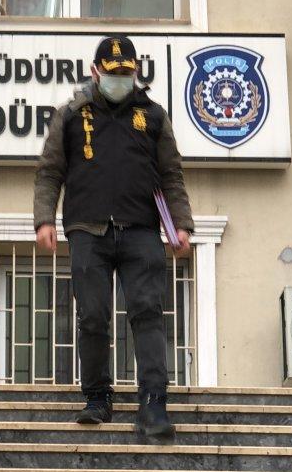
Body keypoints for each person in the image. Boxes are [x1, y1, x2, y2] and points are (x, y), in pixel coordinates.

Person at [33, 35, 194, 439]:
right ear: (95, 72)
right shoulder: (71, 114)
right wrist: (44, 219)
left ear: (135, 72)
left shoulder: (153, 115)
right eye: (112, 73)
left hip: (142, 230)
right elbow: (50, 171)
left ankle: (153, 403)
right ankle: (97, 398)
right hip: (88, 230)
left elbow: (172, 173)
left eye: (127, 73)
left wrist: (181, 224)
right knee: (92, 316)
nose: (119, 79)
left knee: (147, 312)